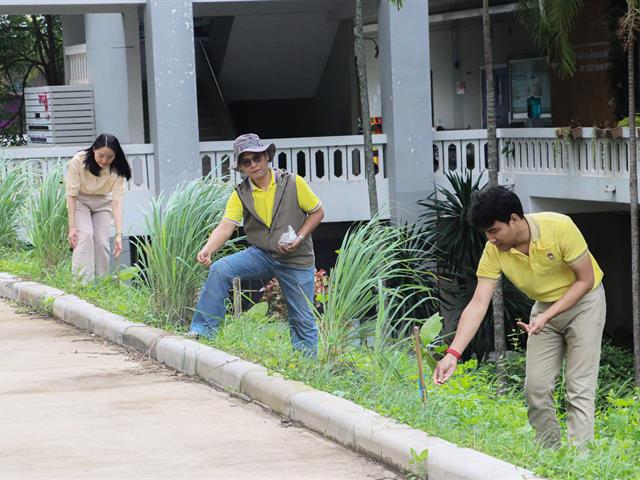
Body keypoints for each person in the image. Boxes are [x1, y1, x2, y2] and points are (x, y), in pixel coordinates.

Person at [433, 186, 605, 448]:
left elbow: (585, 280)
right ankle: (550, 456)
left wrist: (547, 316)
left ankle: (580, 464)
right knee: (535, 389)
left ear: (514, 219)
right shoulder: (494, 252)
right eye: (486, 233)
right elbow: (479, 303)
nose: (490, 239)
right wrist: (452, 354)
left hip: (584, 304)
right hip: (543, 310)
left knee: (578, 389)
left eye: (494, 231)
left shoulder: (559, 227)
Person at [187, 133, 324, 357]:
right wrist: (208, 249)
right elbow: (226, 226)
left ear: (267, 157)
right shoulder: (240, 193)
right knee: (220, 269)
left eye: (257, 158)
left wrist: (299, 238)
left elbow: (317, 212)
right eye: (246, 161)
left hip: (296, 258)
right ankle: (202, 332)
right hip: (262, 254)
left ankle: (307, 366)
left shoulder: (293, 182)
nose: (254, 164)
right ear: (241, 167)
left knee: (302, 316)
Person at [65, 133, 131, 283]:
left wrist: (119, 234)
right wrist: (72, 228)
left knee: (101, 242)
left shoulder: (118, 168)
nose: (104, 160)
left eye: (110, 157)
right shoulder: (78, 161)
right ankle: (82, 285)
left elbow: (117, 202)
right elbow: (71, 195)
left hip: (103, 202)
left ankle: (101, 285)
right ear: (94, 149)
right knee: (86, 235)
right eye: (101, 155)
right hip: (81, 200)